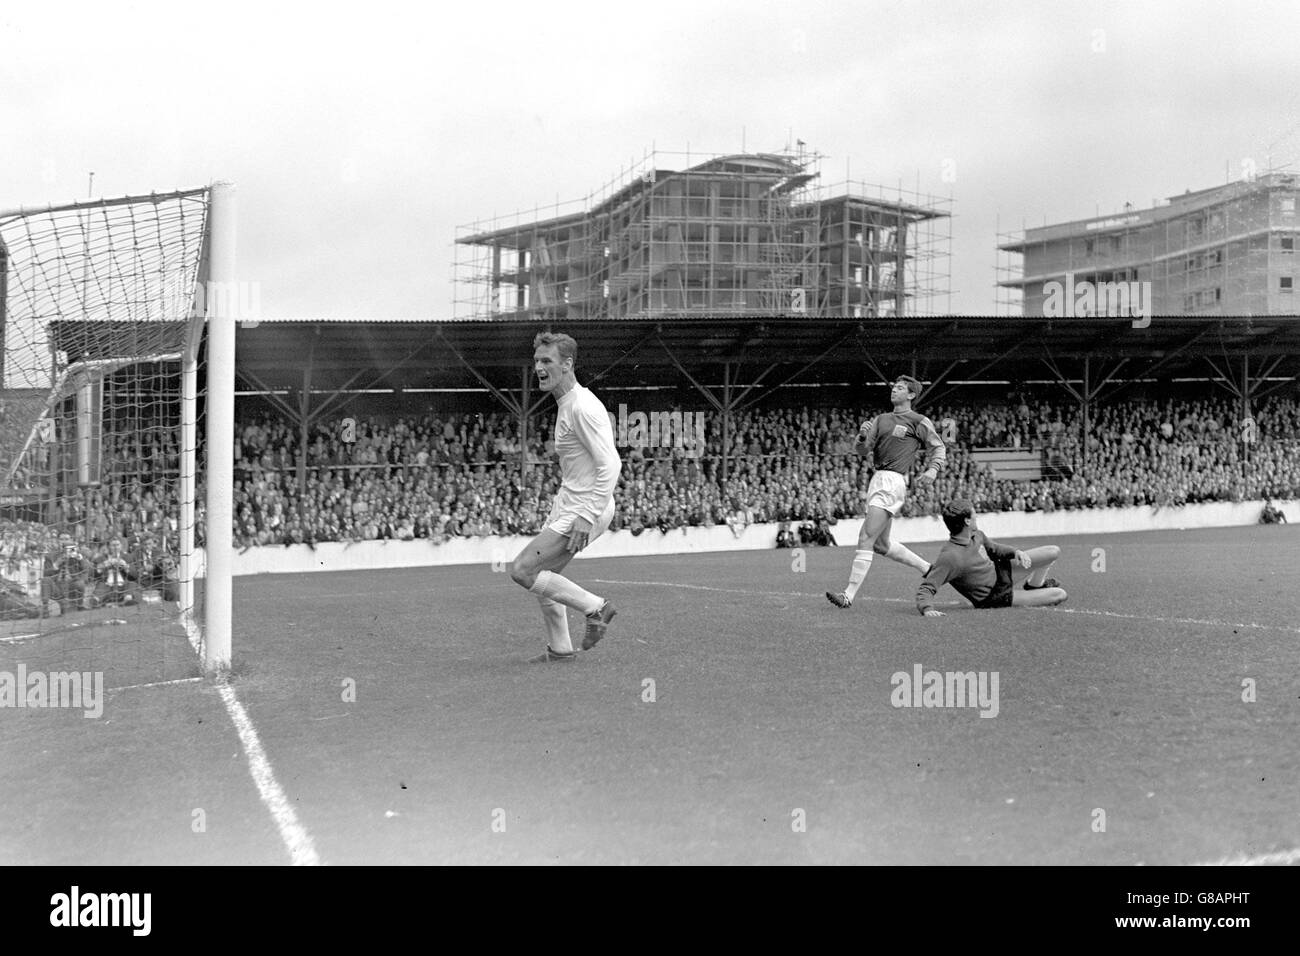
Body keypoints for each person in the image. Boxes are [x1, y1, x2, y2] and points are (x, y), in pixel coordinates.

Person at [509, 332, 621, 663]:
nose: (539, 368)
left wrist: (587, 515)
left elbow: (611, 464)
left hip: (585, 509)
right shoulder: (567, 404)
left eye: (547, 361)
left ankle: (596, 608)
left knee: (523, 571)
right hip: (571, 504)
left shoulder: (583, 407)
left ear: (567, 364)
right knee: (546, 579)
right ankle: (559, 649)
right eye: (536, 362)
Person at [826, 375, 946, 609]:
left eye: (900, 388)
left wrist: (932, 470)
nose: (894, 390)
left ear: (911, 395)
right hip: (878, 479)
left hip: (892, 481)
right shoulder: (881, 419)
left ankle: (848, 595)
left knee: (865, 537)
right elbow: (862, 450)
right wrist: (861, 436)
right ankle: (928, 569)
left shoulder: (918, 420)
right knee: (881, 544)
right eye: (894, 387)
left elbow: (938, 446)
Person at [916, 499, 1068, 616]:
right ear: (967, 521)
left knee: (1053, 551)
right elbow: (927, 587)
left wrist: (1016, 552)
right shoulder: (950, 557)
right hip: (995, 596)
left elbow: (995, 549)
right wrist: (927, 609)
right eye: (974, 514)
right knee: (1060, 594)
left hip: (1002, 573)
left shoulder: (977, 535)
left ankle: (1035, 585)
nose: (977, 516)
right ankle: (1034, 589)